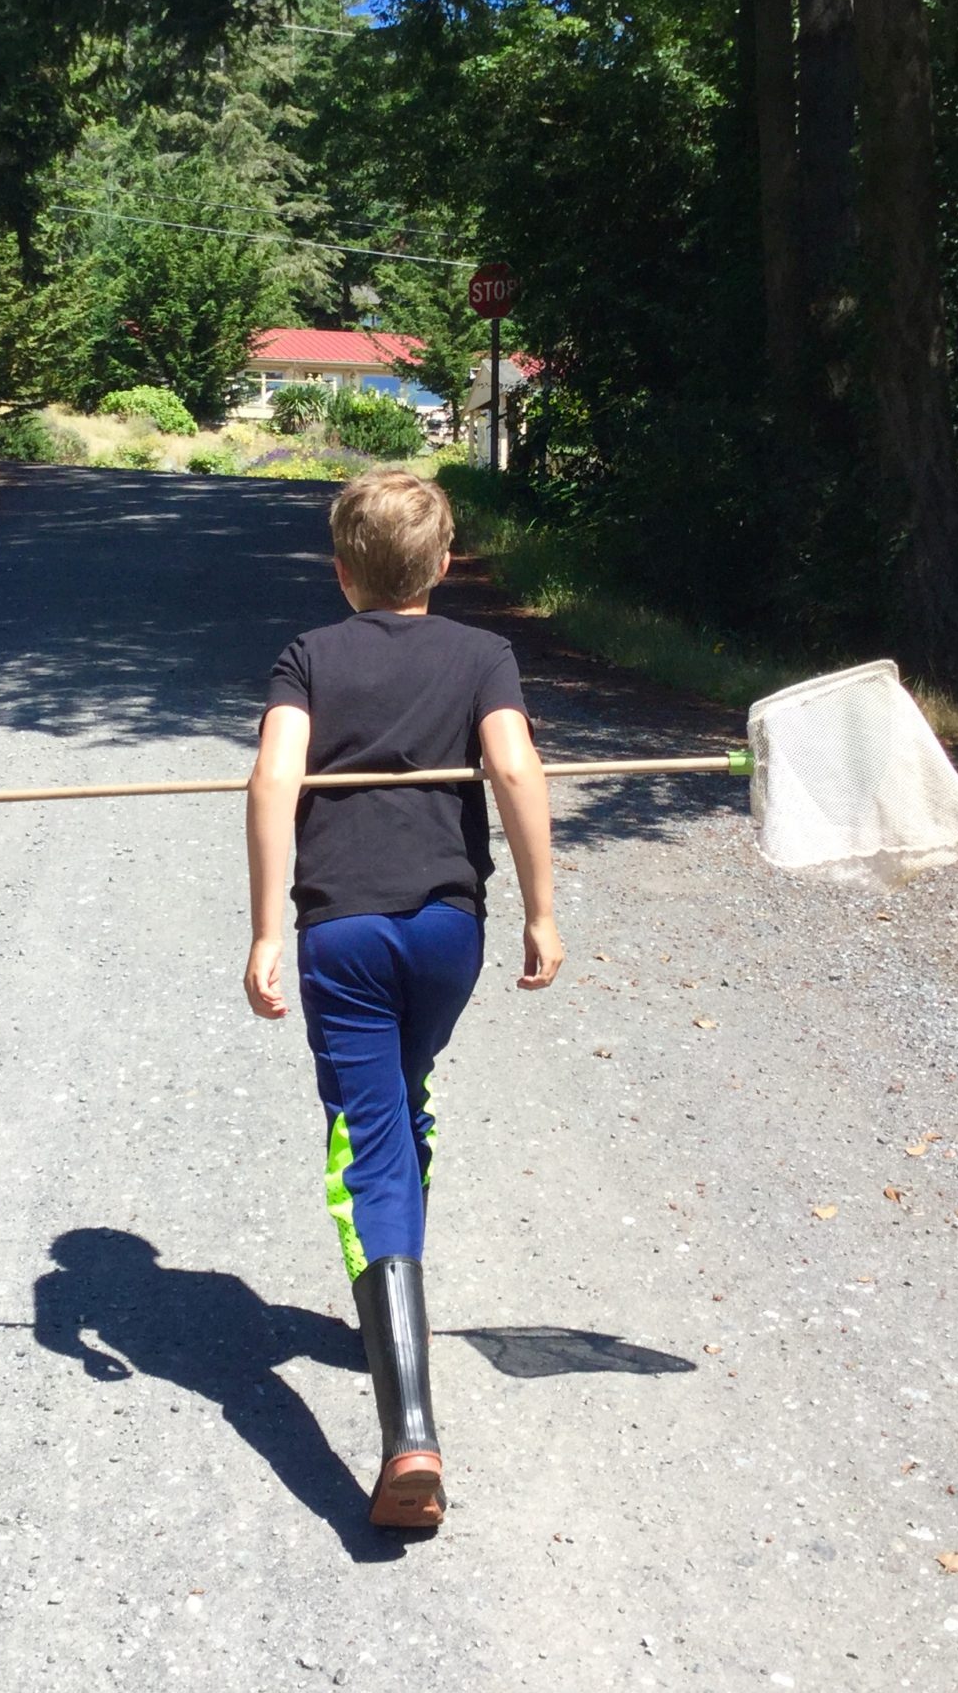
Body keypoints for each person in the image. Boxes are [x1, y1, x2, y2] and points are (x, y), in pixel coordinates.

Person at [242, 468, 564, 1530]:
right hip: (446, 934)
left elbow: (272, 780)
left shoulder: (308, 655)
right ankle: (392, 1310)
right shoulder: (482, 655)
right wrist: (542, 910)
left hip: (343, 933)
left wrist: (264, 930)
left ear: (342, 571)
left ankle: (409, 1434)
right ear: (444, 564)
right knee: (402, 1100)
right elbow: (515, 771)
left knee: (368, 1138)